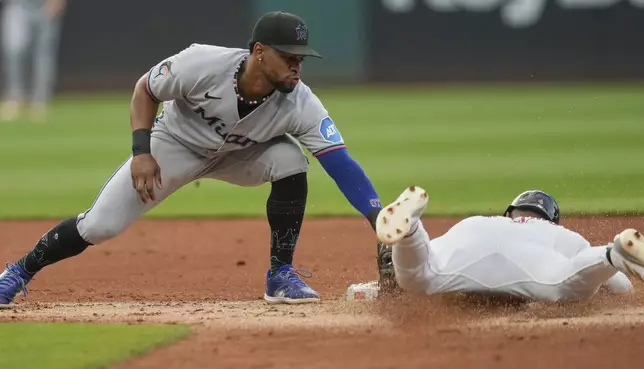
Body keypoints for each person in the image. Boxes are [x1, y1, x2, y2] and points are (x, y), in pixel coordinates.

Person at [0, 11, 392, 307]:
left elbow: (341, 164)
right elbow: (145, 90)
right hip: (175, 145)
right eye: (288, 56)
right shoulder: (202, 63)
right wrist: (142, 152)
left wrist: (379, 218)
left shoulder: (302, 103)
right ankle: (17, 272)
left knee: (290, 159)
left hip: (241, 155)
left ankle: (280, 274)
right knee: (99, 226)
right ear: (258, 52)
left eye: (301, 59)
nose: (297, 66)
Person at [374, 186, 643, 302]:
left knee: (420, 277)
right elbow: (621, 287)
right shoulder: (560, 235)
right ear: (552, 220)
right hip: (529, 266)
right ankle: (612, 254)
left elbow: (430, 255)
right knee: (566, 286)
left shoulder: (477, 222)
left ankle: (411, 229)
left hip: (468, 255)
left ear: (510, 213)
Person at [1, 0, 68, 122]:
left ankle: (40, 100)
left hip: (44, 5)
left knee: (44, 55)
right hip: (17, 5)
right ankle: (15, 99)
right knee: (14, 52)